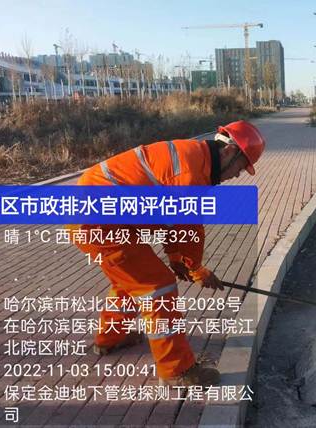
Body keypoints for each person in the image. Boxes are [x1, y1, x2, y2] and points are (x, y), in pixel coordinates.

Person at [69, 120, 265, 387]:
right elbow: (187, 226)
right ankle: (177, 370)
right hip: (97, 222)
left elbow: (173, 222)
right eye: (241, 167)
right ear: (229, 152)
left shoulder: (194, 159)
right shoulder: (190, 172)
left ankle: (112, 337)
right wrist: (195, 268)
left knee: (132, 281)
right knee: (158, 286)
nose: (238, 175)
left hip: (99, 216)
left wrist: (178, 260)